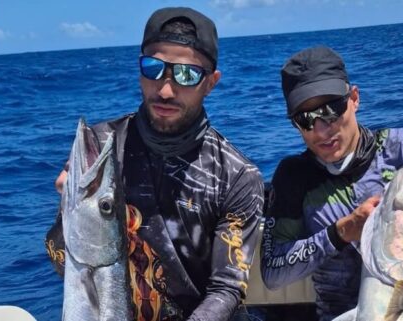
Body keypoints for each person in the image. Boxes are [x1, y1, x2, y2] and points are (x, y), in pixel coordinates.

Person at [45, 7, 265, 321]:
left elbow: (227, 289)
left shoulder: (238, 177)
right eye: (153, 68)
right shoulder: (103, 147)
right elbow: (62, 262)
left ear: (211, 82)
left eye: (186, 75)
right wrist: (66, 211)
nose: (164, 89)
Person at [259, 46, 403, 321]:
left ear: (354, 98)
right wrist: (340, 233)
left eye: (331, 109)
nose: (321, 129)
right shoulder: (293, 176)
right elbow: (273, 272)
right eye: (305, 119)